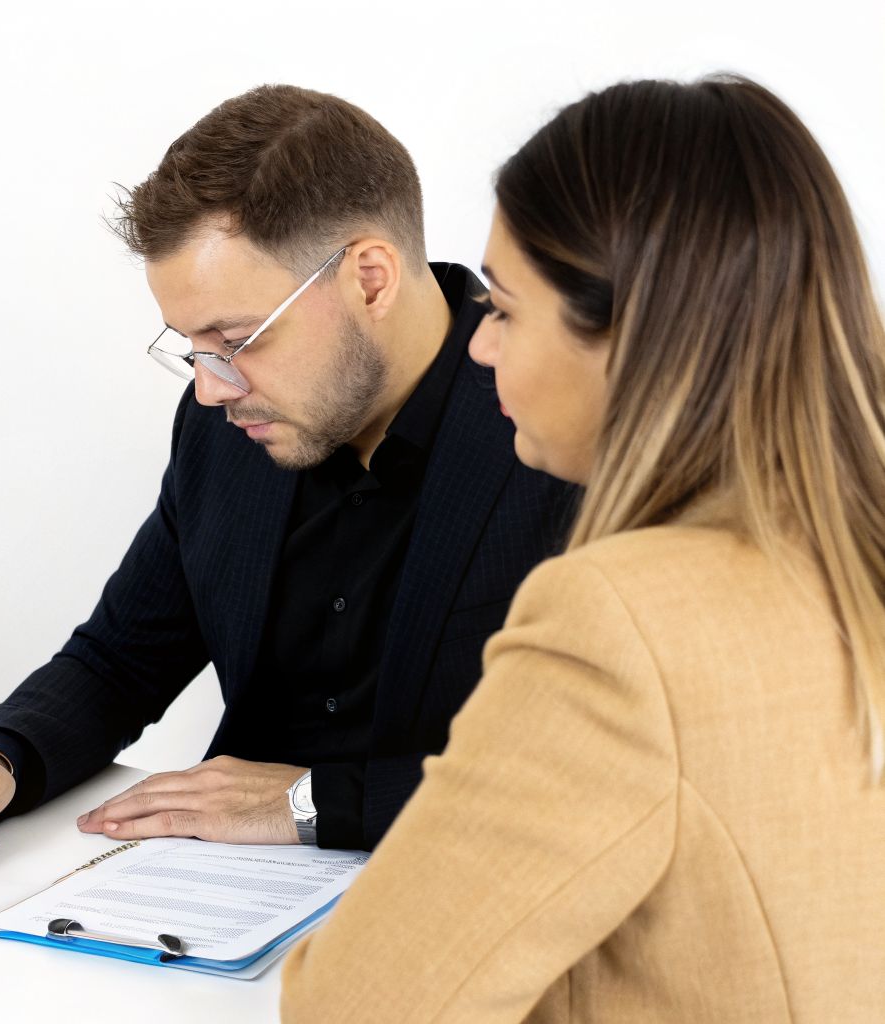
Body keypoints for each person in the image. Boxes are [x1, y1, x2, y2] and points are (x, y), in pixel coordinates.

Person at [279, 74, 885, 1021]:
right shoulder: (847, 565)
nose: (478, 348)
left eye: (508, 310)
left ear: (632, 336)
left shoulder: (624, 619)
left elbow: (357, 1006)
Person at [0, 84, 577, 860]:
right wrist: (0, 760)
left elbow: (601, 774)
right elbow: (120, 658)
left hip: (467, 894)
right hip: (217, 905)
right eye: (191, 347)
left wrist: (316, 799)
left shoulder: (566, 420)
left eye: (238, 338)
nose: (210, 387)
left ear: (371, 279)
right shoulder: (225, 427)